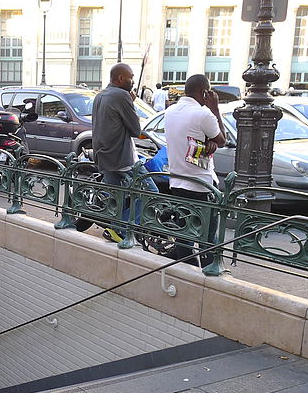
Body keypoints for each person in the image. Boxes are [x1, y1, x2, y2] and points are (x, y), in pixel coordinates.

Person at [164, 73, 227, 265]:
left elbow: (189, 136)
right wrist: (215, 108)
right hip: (201, 185)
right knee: (208, 240)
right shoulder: (203, 113)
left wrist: (208, 141)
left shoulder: (170, 111)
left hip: (177, 182)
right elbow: (222, 140)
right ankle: (209, 276)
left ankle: (186, 277)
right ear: (204, 92)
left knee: (184, 235)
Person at [92, 63, 158, 243]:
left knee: (118, 196)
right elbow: (136, 129)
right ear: (121, 78)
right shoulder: (121, 96)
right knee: (151, 192)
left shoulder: (101, 95)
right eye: (131, 77)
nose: (133, 81)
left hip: (103, 155)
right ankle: (121, 228)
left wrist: (131, 101)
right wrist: (131, 103)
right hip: (121, 157)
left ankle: (115, 228)